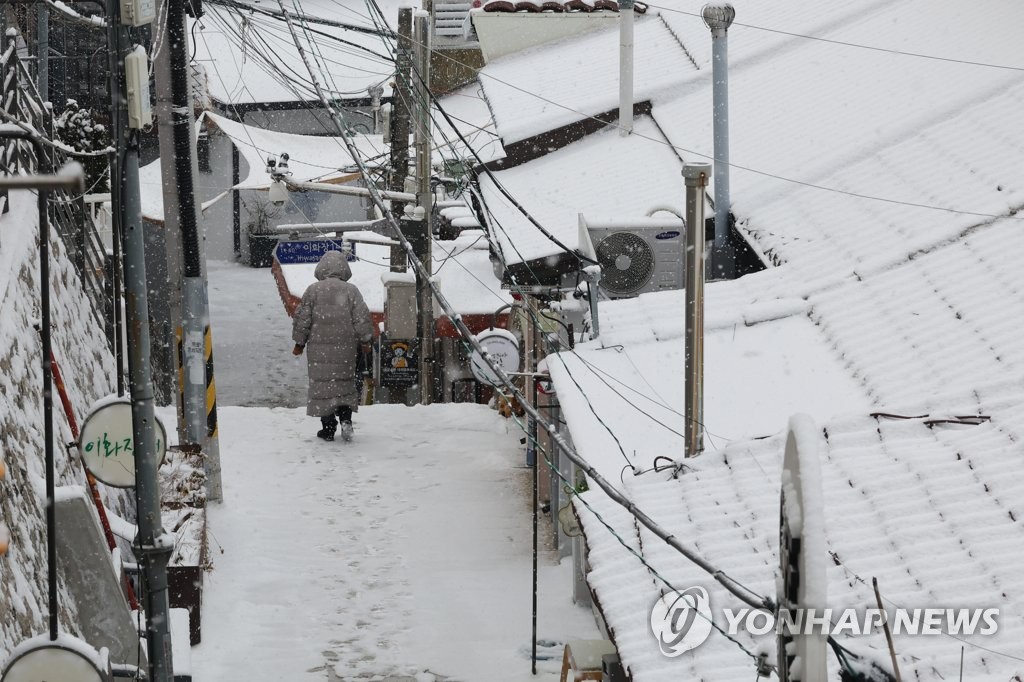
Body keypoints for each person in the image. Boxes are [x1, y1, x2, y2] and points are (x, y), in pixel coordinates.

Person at [292, 249, 374, 442]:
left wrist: (299, 343)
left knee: (323, 387)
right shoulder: (351, 290)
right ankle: (346, 419)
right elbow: (362, 319)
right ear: (344, 270)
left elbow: (302, 319)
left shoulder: (313, 290)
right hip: (345, 347)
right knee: (344, 384)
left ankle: (328, 428)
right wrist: (365, 341)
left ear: (321, 269)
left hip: (319, 349)